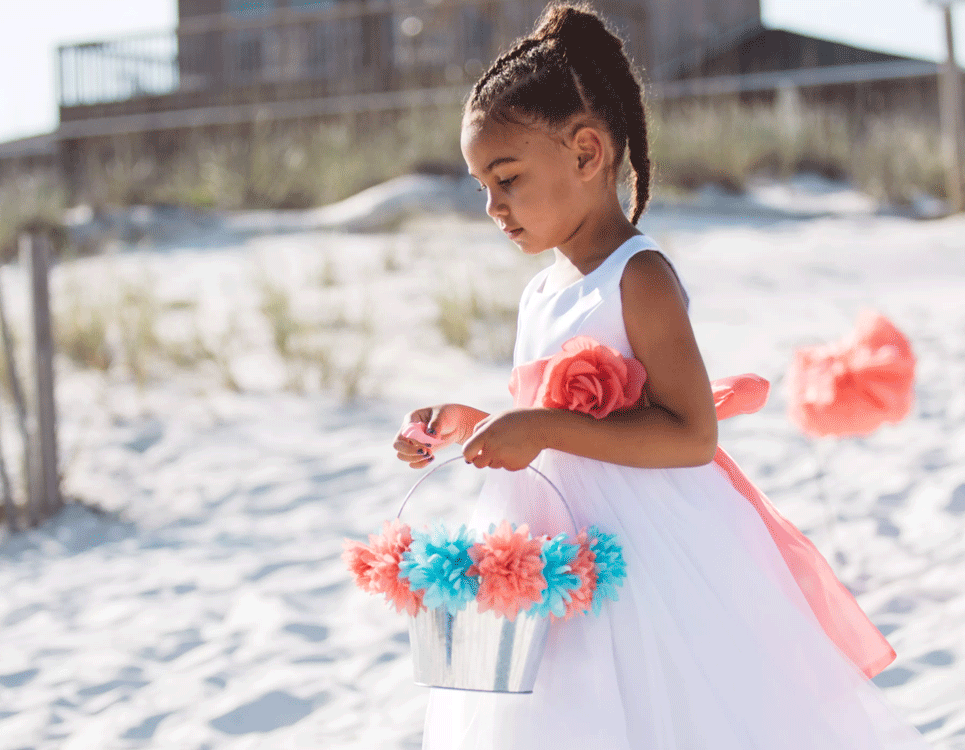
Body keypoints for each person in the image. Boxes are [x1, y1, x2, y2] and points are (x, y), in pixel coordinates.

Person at [392, 3, 932, 748]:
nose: (491, 207)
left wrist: (543, 427)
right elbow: (539, 414)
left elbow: (690, 434)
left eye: (507, 178)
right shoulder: (542, 290)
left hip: (643, 551)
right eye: (483, 183)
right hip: (555, 554)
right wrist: (468, 422)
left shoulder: (636, 277)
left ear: (587, 154)